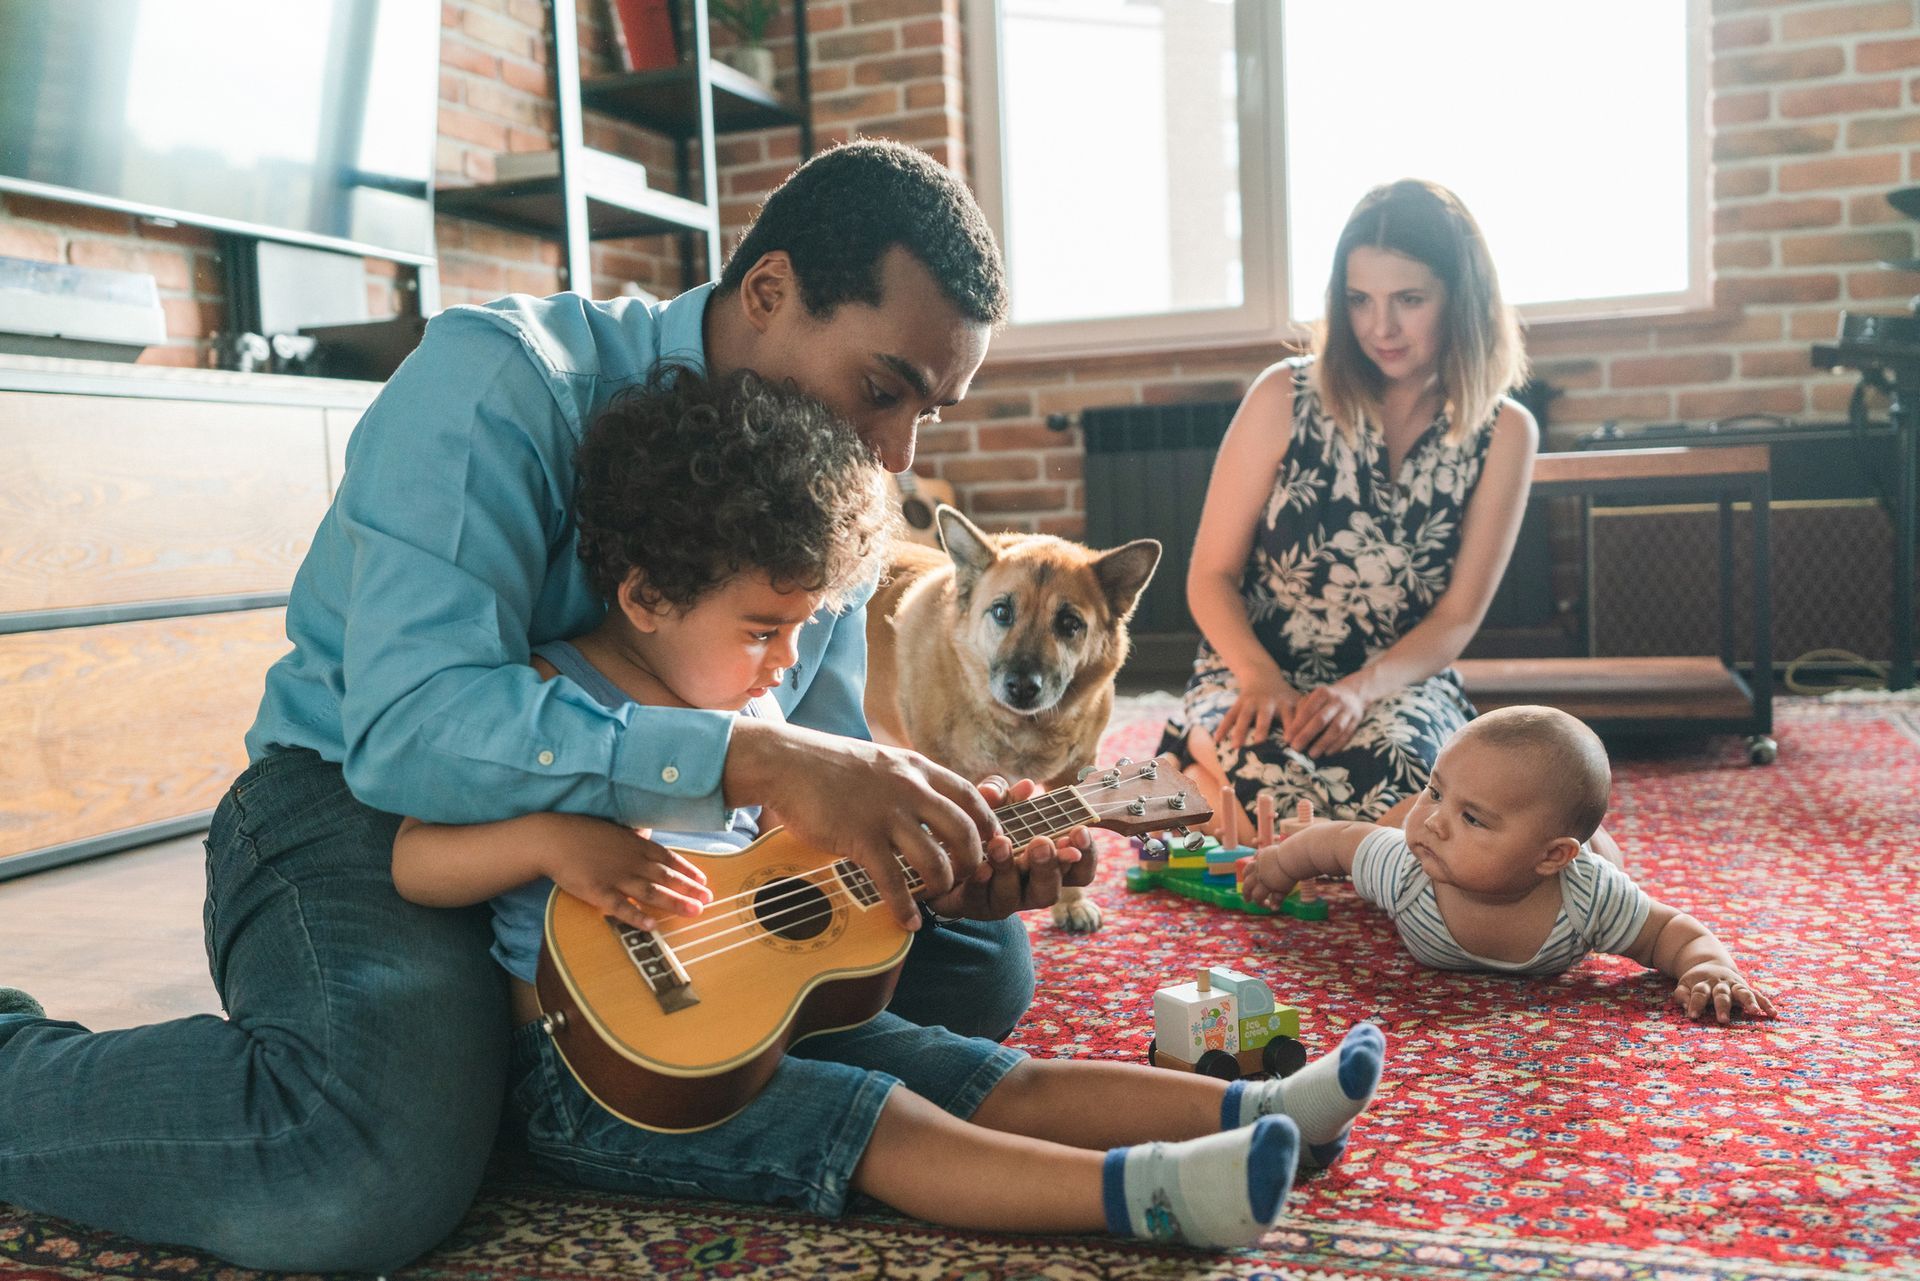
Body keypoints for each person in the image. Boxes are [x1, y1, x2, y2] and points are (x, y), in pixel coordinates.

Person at [0, 141, 1091, 1271]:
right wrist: (744, 763)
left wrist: (931, 845)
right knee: (352, 1174)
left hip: (649, 848)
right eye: (883, 390)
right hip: (362, 811)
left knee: (974, 960)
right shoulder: (500, 384)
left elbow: (807, 761)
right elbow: (409, 733)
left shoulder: (837, 479)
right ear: (768, 292)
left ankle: (523, 1074)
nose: (897, 452)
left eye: (932, 414)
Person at [391, 367, 1392, 1248]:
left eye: (799, 628)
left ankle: (1262, 1104)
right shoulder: (544, 697)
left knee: (992, 1073)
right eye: (761, 630)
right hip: (602, 1079)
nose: (786, 663)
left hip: (767, 1016)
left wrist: (952, 841)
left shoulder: (743, 696)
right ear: (647, 595)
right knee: (878, 1122)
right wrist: (547, 837)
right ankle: (1153, 1194)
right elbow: (412, 859)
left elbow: (775, 870)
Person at [1161, 178, 1535, 837]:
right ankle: (1212, 776)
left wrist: (1361, 689)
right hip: (1255, 668)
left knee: (1423, 788)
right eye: (1360, 300)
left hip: (1396, 681)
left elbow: (1456, 617)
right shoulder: (1283, 395)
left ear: (1462, 299)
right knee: (1279, 773)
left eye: (1409, 300)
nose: (1379, 327)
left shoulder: (1506, 433)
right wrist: (1260, 677)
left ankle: (1213, 800)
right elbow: (1209, 575)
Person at [1239, 706, 1777, 1025]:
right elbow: (1336, 842)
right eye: (1436, 790)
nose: (1438, 824)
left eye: (1473, 818)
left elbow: (1672, 932)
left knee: (1605, 855)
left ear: (1550, 857)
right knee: (1398, 819)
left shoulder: (1588, 897)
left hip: (1580, 859)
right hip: (1483, 863)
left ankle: (1590, 839)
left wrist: (1710, 967)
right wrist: (1279, 865)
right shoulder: (1406, 865)